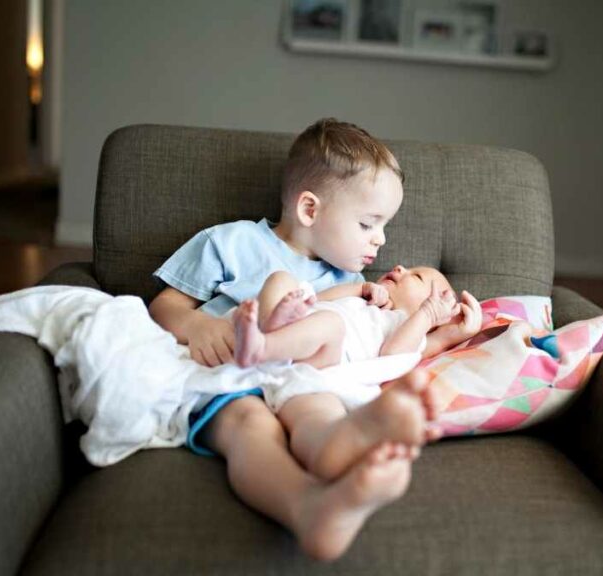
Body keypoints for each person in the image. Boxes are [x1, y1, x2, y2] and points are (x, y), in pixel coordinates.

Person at [148, 118, 438, 561]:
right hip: (230, 375)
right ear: (309, 210)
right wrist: (200, 327)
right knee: (251, 427)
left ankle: (336, 445)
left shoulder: (351, 279)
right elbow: (164, 306)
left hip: (298, 381)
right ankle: (308, 508)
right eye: (368, 224)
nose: (381, 241)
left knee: (316, 408)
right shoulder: (231, 243)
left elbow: (366, 344)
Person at [232, 265, 482, 481]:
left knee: (332, 325)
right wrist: (359, 290)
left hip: (324, 358)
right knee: (281, 278)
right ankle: (269, 329)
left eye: (415, 277)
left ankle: (262, 347)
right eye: (406, 267)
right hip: (298, 325)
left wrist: (432, 319)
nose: (400, 268)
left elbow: (396, 353)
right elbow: (319, 300)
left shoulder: (407, 328)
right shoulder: (364, 293)